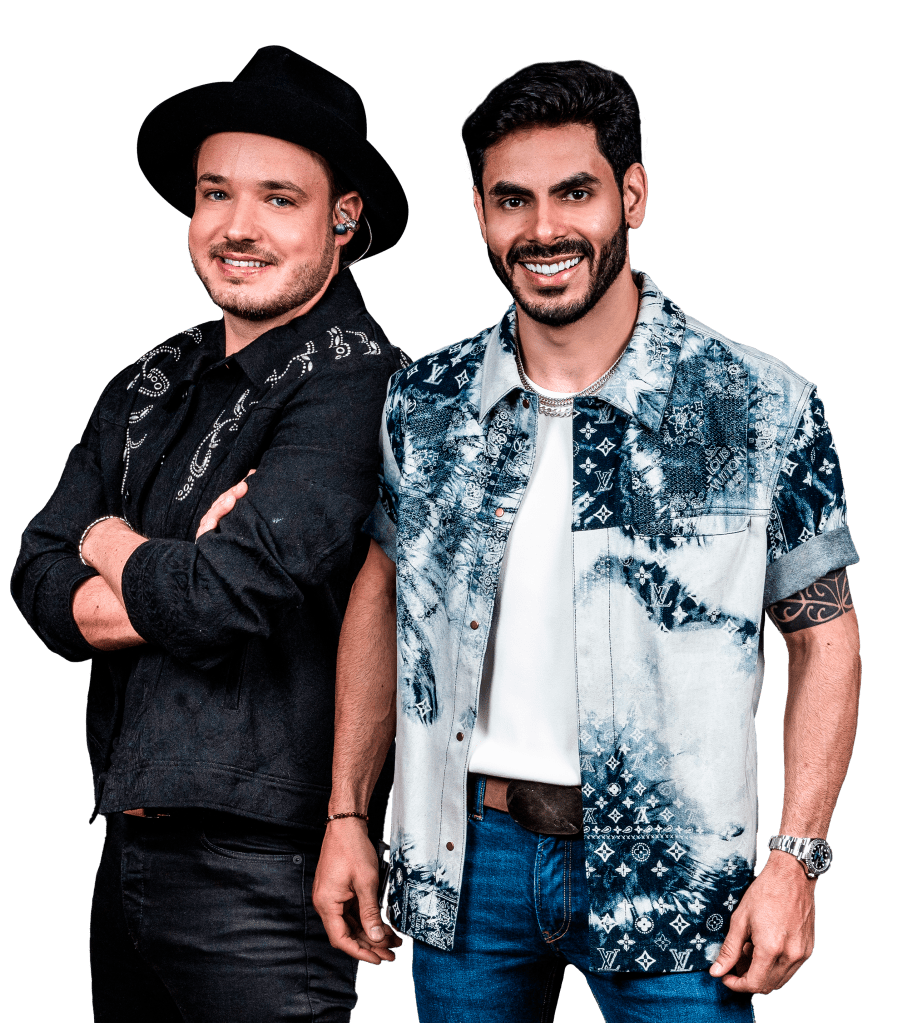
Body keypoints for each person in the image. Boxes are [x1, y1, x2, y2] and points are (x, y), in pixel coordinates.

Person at [310, 60, 862, 1022]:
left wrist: (795, 858)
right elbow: (381, 592)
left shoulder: (757, 403)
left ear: (631, 195)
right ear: (480, 212)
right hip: (467, 861)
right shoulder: (426, 402)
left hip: (678, 872)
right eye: (511, 199)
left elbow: (826, 638)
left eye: (575, 192)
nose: (543, 229)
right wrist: (348, 811)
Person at [10, 45, 408, 1023]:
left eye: (279, 198)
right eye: (215, 193)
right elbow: (35, 575)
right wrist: (160, 563)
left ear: (342, 217)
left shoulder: (360, 382)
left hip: (264, 872)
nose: (237, 227)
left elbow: (221, 599)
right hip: (127, 848)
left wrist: (106, 539)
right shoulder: (153, 378)